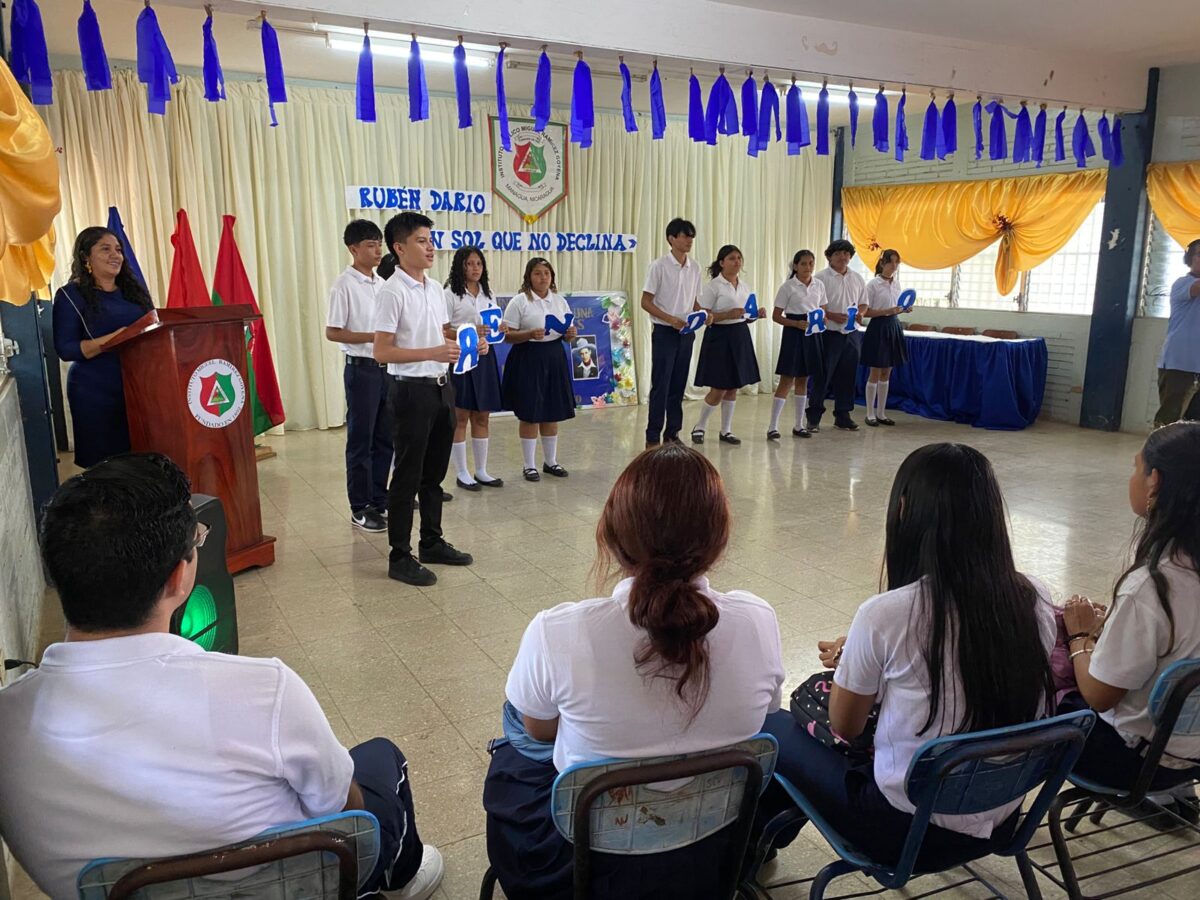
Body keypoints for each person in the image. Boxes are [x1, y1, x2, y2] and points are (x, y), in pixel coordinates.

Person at [0, 454, 444, 900]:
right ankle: (403, 876)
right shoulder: (264, 689)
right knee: (382, 760)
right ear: (180, 575)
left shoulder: (8, 723)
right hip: (294, 887)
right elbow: (343, 810)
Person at [483, 444, 785, 899]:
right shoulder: (758, 620)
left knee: (516, 735)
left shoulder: (558, 630)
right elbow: (767, 714)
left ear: (611, 533)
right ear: (719, 538)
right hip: (713, 851)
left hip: (580, 868)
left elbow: (540, 732)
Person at [759, 443, 1056, 869]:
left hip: (902, 832)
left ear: (903, 510)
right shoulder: (1034, 596)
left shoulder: (886, 615)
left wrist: (854, 662)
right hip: (1004, 816)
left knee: (777, 730)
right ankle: (763, 842)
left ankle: (758, 848)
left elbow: (845, 725)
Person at [1059, 422, 1200, 806]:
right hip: (1193, 759)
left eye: (1136, 468)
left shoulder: (1153, 585)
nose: (1133, 477)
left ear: (1154, 482)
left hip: (1132, 761)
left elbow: (1099, 696)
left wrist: (1079, 638)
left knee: (1048, 678)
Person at [373, 212, 473, 586]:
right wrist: (431, 351)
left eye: (431, 239)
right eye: (421, 240)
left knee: (434, 475)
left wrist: (464, 340)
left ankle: (431, 540)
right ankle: (400, 555)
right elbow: (382, 351)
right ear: (399, 248)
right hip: (410, 391)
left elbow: (441, 331)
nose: (431, 247)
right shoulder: (391, 291)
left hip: (441, 387)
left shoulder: (434, 288)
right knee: (408, 476)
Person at [52, 227, 155, 468]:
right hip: (95, 390)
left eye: (118, 250)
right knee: (107, 468)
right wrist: (114, 338)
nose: (115, 255)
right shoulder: (70, 296)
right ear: (86, 257)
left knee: (142, 460)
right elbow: (66, 349)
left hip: (140, 387)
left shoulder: (134, 293)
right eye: (105, 249)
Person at [325, 219, 391, 532]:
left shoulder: (382, 284)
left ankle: (380, 498)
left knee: (385, 439)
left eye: (379, 243)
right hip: (361, 370)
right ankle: (360, 507)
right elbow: (333, 332)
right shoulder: (344, 285)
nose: (378, 250)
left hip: (387, 369)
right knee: (361, 442)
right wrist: (372, 336)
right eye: (370, 244)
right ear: (353, 249)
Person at [501, 257, 577, 482]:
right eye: (537, 273)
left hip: (554, 356)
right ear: (528, 277)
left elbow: (567, 332)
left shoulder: (560, 301)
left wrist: (570, 336)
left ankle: (550, 461)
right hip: (528, 357)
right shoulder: (519, 301)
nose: (543, 278)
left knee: (552, 411)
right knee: (530, 413)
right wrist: (528, 334)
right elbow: (507, 336)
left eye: (546, 273)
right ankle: (529, 465)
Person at [690, 245, 766, 446]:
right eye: (732, 258)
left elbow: (745, 316)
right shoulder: (714, 286)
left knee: (733, 387)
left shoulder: (745, 286)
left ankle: (726, 430)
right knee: (718, 388)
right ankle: (700, 426)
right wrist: (726, 314)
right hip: (719, 337)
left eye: (739, 258)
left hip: (739, 335)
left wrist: (755, 315)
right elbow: (704, 316)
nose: (737, 262)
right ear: (722, 262)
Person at [444, 246, 504, 492]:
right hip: (460, 358)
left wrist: (495, 334)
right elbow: (443, 328)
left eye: (478, 263)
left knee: (482, 415)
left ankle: (481, 470)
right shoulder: (449, 293)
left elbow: (493, 327)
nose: (475, 268)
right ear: (460, 266)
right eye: (469, 264)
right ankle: (462, 472)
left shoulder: (488, 293)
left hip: (484, 358)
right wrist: (467, 332)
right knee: (460, 416)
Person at [641, 218, 705, 449]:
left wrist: (705, 315)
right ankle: (652, 436)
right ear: (671, 238)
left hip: (686, 333)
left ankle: (672, 433)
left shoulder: (695, 267)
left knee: (678, 384)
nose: (689, 241)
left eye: (691, 236)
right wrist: (670, 319)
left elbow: (696, 301)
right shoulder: (658, 266)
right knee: (661, 384)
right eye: (684, 236)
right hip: (665, 332)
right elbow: (645, 302)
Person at [808, 239, 868, 432]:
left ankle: (843, 415)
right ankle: (814, 417)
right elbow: (813, 306)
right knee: (822, 376)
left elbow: (864, 303)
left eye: (847, 254)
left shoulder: (857, 278)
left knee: (848, 376)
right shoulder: (820, 279)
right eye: (838, 254)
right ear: (829, 257)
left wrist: (861, 314)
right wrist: (832, 315)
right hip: (828, 333)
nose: (843, 257)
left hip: (851, 335)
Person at [768, 250, 827, 441]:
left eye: (811, 263)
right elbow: (776, 316)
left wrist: (820, 321)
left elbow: (823, 309)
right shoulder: (788, 287)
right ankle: (772, 426)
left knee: (804, 380)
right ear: (795, 266)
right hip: (794, 333)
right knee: (787, 379)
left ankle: (799, 425)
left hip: (812, 333)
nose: (807, 267)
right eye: (803, 264)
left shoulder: (819, 285)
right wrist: (795, 324)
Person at [1153, 238, 1200, 427]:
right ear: (1190, 259)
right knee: (1168, 422)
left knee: (1193, 425)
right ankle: (1154, 456)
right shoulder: (1182, 283)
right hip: (1179, 363)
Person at [860, 249, 909, 427]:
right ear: (882, 263)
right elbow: (866, 311)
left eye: (897, 262)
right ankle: (870, 413)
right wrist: (886, 311)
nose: (894, 266)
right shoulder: (873, 285)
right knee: (875, 370)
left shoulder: (897, 284)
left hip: (893, 326)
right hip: (878, 326)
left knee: (887, 371)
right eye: (891, 262)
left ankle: (881, 412)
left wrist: (904, 308)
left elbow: (898, 306)